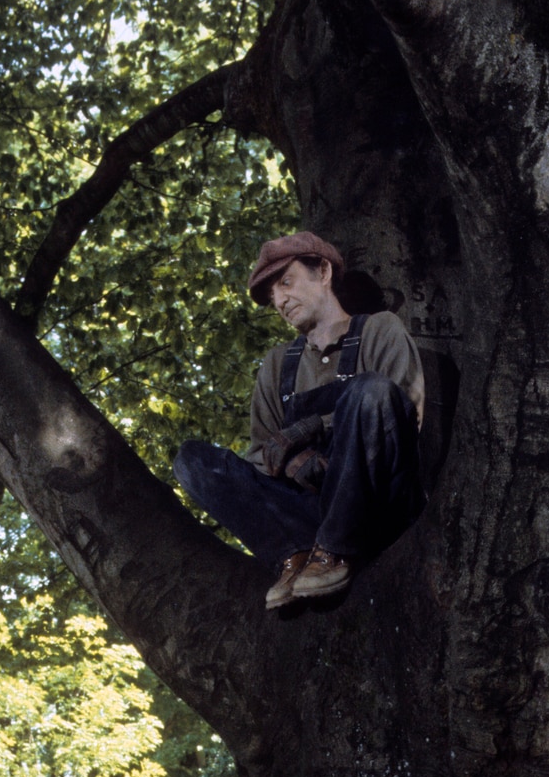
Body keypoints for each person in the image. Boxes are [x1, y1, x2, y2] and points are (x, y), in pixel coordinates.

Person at [173, 231, 427, 608]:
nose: (279, 300)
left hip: (377, 504)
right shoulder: (277, 364)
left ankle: (336, 550)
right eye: (272, 294)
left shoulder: (380, 329)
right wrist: (290, 461)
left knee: (369, 390)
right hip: (309, 509)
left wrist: (315, 427)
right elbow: (261, 451)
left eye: (286, 282)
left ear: (323, 272)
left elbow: (402, 410)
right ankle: (295, 554)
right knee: (192, 461)